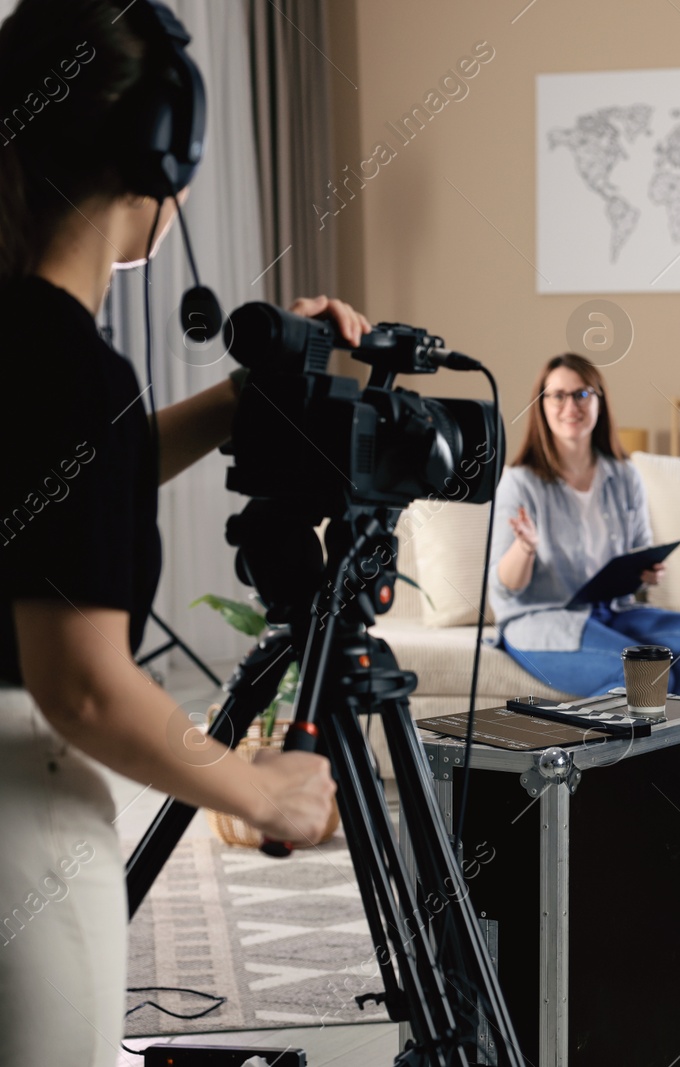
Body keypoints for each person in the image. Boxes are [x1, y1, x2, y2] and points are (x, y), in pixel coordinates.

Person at [0, 3, 366, 1063]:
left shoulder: (32, 349)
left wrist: (235, 403)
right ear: (164, 153)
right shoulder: (68, 368)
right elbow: (80, 685)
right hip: (22, 817)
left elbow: (61, 488)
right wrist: (260, 788)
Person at [489, 353, 680, 698]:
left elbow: (639, 554)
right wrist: (524, 548)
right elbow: (504, 589)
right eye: (558, 395)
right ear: (541, 405)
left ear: (599, 401)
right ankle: (604, 750)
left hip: (612, 611)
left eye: (582, 393)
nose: (571, 406)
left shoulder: (624, 474)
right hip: (541, 622)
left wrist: (648, 573)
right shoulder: (519, 482)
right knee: (644, 674)